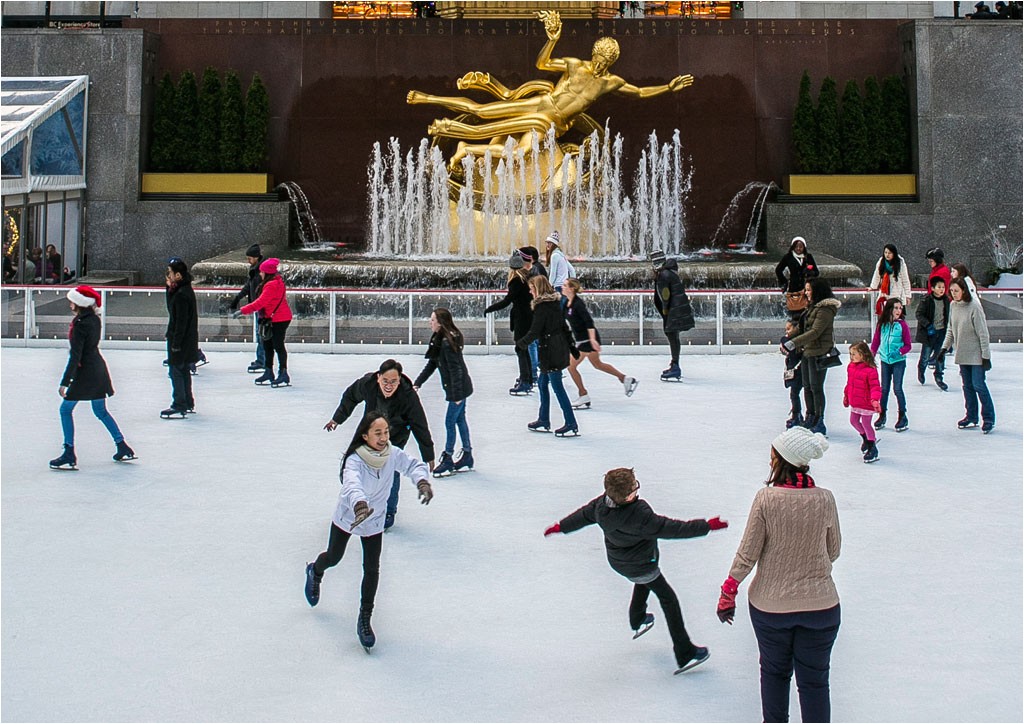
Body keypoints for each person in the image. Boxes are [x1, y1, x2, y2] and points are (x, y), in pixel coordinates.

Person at [407, 9, 693, 168]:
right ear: (593, 53)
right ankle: (427, 98)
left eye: (606, 59)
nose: (599, 61)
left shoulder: (610, 83)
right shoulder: (574, 64)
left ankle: (463, 145)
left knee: (511, 147)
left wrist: (668, 87)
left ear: (612, 61)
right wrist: (553, 38)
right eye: (598, 55)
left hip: (550, 122)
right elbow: (542, 62)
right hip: (542, 104)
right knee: (482, 112)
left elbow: (640, 93)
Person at [544, 466, 727, 674]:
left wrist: (561, 526)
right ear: (628, 495)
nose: (637, 490)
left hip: (619, 562)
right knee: (668, 599)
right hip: (642, 563)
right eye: (635, 487)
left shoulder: (601, 506)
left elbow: (583, 515)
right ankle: (685, 652)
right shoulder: (640, 516)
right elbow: (673, 528)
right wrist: (706, 526)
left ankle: (637, 618)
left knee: (644, 581)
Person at [716, 426, 840, 723]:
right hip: (821, 608)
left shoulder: (767, 499)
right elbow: (833, 550)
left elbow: (748, 553)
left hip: (771, 607)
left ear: (781, 459)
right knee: (815, 684)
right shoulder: (825, 499)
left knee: (774, 673)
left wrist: (728, 590)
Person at [304, 411, 433, 651]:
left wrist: (422, 481)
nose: (384, 437)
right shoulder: (355, 460)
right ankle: (315, 570)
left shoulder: (392, 454)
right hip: (350, 515)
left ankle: (365, 618)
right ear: (365, 436)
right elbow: (351, 483)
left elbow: (412, 465)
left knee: (372, 568)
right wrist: (360, 504)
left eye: (385, 432)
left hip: (374, 521)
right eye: (378, 433)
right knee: (334, 557)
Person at [324, 359, 436, 530]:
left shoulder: (408, 396)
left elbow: (419, 423)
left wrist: (428, 454)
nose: (389, 385)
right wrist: (337, 418)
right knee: (355, 464)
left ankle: (389, 511)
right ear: (378, 378)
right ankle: (357, 503)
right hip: (369, 433)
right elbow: (351, 396)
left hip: (395, 436)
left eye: (394, 381)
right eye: (385, 381)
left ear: (399, 380)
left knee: (391, 469)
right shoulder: (368, 384)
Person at [48, 285, 135, 469]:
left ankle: (69, 452)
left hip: (85, 373)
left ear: (78, 303)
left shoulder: (80, 325)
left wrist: (65, 381)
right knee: (100, 411)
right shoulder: (94, 320)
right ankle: (122, 445)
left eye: (71, 300)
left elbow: (76, 355)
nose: (69, 303)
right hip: (98, 369)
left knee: (65, 410)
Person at [413, 308, 474, 477]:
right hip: (460, 388)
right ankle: (467, 454)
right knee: (460, 420)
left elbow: (456, 370)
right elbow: (432, 364)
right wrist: (418, 383)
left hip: (459, 389)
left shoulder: (446, 343)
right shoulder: (439, 340)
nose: (430, 322)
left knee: (450, 422)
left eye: (432, 320)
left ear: (440, 323)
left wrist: (456, 395)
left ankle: (448, 457)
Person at [516, 274, 580, 436]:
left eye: (532, 289)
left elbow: (535, 331)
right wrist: (571, 347)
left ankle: (571, 423)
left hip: (551, 351)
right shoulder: (556, 304)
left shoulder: (542, 307)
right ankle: (543, 419)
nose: (530, 292)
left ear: (538, 289)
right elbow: (564, 327)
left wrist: (521, 344)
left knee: (558, 388)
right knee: (543, 384)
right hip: (556, 348)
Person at [562, 278, 638, 408]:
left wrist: (592, 340)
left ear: (572, 288)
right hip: (582, 339)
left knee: (571, 366)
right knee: (597, 364)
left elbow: (589, 322)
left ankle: (583, 394)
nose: (562, 287)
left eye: (564, 285)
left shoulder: (578, 304)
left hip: (586, 340)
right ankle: (625, 379)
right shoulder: (566, 303)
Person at [783, 278, 841, 437]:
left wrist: (793, 343)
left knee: (816, 387)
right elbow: (802, 328)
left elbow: (815, 332)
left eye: (808, 290)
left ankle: (819, 419)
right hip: (808, 351)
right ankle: (810, 416)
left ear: (817, 290)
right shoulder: (812, 307)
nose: (805, 293)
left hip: (819, 352)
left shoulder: (825, 310)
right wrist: (788, 339)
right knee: (808, 386)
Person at [942, 278, 995, 433]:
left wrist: (986, 356)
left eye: (956, 291)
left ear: (964, 290)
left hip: (977, 355)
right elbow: (951, 329)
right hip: (962, 353)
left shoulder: (974, 307)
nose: (954, 294)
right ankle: (971, 416)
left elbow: (983, 334)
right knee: (967, 387)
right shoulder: (953, 306)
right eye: (951, 291)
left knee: (979, 385)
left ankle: (989, 418)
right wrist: (943, 349)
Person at [484, 251, 534, 395]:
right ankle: (528, 379)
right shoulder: (527, 278)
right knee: (523, 348)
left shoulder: (515, 281)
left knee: (520, 349)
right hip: (528, 317)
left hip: (522, 319)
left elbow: (507, 301)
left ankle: (525, 381)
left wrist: (490, 309)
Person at [240, 257, 292, 388]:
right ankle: (269, 371)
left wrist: (243, 310)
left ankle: (283, 373)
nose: (260, 274)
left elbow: (261, 302)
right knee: (267, 344)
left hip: (280, 319)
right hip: (269, 318)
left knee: (278, 345)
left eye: (262, 272)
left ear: (267, 273)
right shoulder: (273, 282)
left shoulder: (272, 285)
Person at [162, 257, 200, 419]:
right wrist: (168, 288)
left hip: (181, 340)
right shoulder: (183, 291)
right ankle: (187, 401)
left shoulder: (181, 294)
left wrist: (176, 343)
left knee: (176, 370)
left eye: (169, 273)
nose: (167, 276)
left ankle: (180, 403)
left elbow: (180, 321)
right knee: (183, 370)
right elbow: (174, 311)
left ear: (178, 275)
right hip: (186, 339)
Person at [870, 297, 913, 432]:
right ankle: (882, 415)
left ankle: (902, 415)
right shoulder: (882, 324)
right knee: (884, 389)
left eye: (900, 308)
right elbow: (876, 342)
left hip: (898, 361)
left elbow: (908, 345)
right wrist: (871, 356)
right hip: (885, 361)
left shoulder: (902, 325)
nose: (898, 310)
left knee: (897, 388)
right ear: (889, 309)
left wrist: (899, 352)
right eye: (896, 308)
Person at [652, 253, 695, 381]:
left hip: (673, 311)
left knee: (671, 335)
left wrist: (665, 313)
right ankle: (675, 364)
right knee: (673, 336)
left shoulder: (664, 275)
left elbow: (665, 296)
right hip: (677, 309)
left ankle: (675, 367)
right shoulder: (669, 272)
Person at [229, 243, 266, 374]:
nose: (248, 261)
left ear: (256, 257)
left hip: (262, 308)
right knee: (260, 333)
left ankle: (263, 361)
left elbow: (262, 293)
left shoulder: (262, 271)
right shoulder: (254, 269)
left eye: (250, 258)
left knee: (262, 334)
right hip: (257, 307)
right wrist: (238, 298)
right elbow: (248, 286)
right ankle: (261, 359)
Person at [843, 341, 882, 463]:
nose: (851, 357)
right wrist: (846, 395)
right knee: (853, 421)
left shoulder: (870, 370)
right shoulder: (851, 367)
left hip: (866, 402)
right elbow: (850, 383)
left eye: (854, 354)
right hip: (855, 401)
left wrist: (875, 400)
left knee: (866, 423)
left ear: (863, 354)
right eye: (850, 354)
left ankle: (872, 446)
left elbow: (875, 387)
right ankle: (865, 438)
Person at [914, 276, 950, 390]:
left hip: (942, 332)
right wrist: (928, 325)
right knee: (926, 355)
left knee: (940, 355)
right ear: (933, 288)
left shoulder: (946, 300)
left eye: (943, 287)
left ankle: (939, 376)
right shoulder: (926, 300)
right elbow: (919, 314)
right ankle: (921, 369)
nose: (942, 289)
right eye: (939, 287)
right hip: (929, 333)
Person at [518, 246, 546, 383]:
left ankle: (534, 373)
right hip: (537, 307)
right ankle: (539, 369)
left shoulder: (536, 270)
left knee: (532, 343)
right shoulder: (538, 268)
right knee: (536, 342)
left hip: (535, 308)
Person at [774, 236, 820, 307]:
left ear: (804, 247)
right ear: (793, 247)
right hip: (793, 287)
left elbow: (816, 272)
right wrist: (784, 282)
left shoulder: (808, 257)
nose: (798, 249)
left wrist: (810, 272)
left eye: (800, 247)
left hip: (806, 287)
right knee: (794, 307)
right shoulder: (788, 257)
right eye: (796, 247)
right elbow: (778, 270)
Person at [780, 317, 809, 429]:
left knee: (795, 394)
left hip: (798, 372)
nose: (786, 332)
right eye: (785, 329)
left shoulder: (794, 342)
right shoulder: (796, 342)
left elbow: (786, 346)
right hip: (795, 370)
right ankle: (797, 414)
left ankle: (797, 414)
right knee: (794, 393)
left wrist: (784, 339)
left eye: (789, 329)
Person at [868, 243, 912, 316]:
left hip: (898, 294)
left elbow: (905, 280)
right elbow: (877, 276)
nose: (887, 255)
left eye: (889, 253)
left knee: (898, 317)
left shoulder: (900, 263)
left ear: (894, 253)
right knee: (885, 318)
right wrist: (872, 287)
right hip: (885, 294)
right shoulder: (881, 262)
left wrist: (908, 295)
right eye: (885, 252)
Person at [544, 231, 574, 297]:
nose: (547, 245)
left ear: (554, 244)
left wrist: (548, 287)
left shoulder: (554, 255)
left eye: (550, 243)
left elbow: (553, 274)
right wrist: (572, 284)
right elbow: (572, 270)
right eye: (547, 243)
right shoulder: (561, 255)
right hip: (564, 286)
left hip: (558, 287)